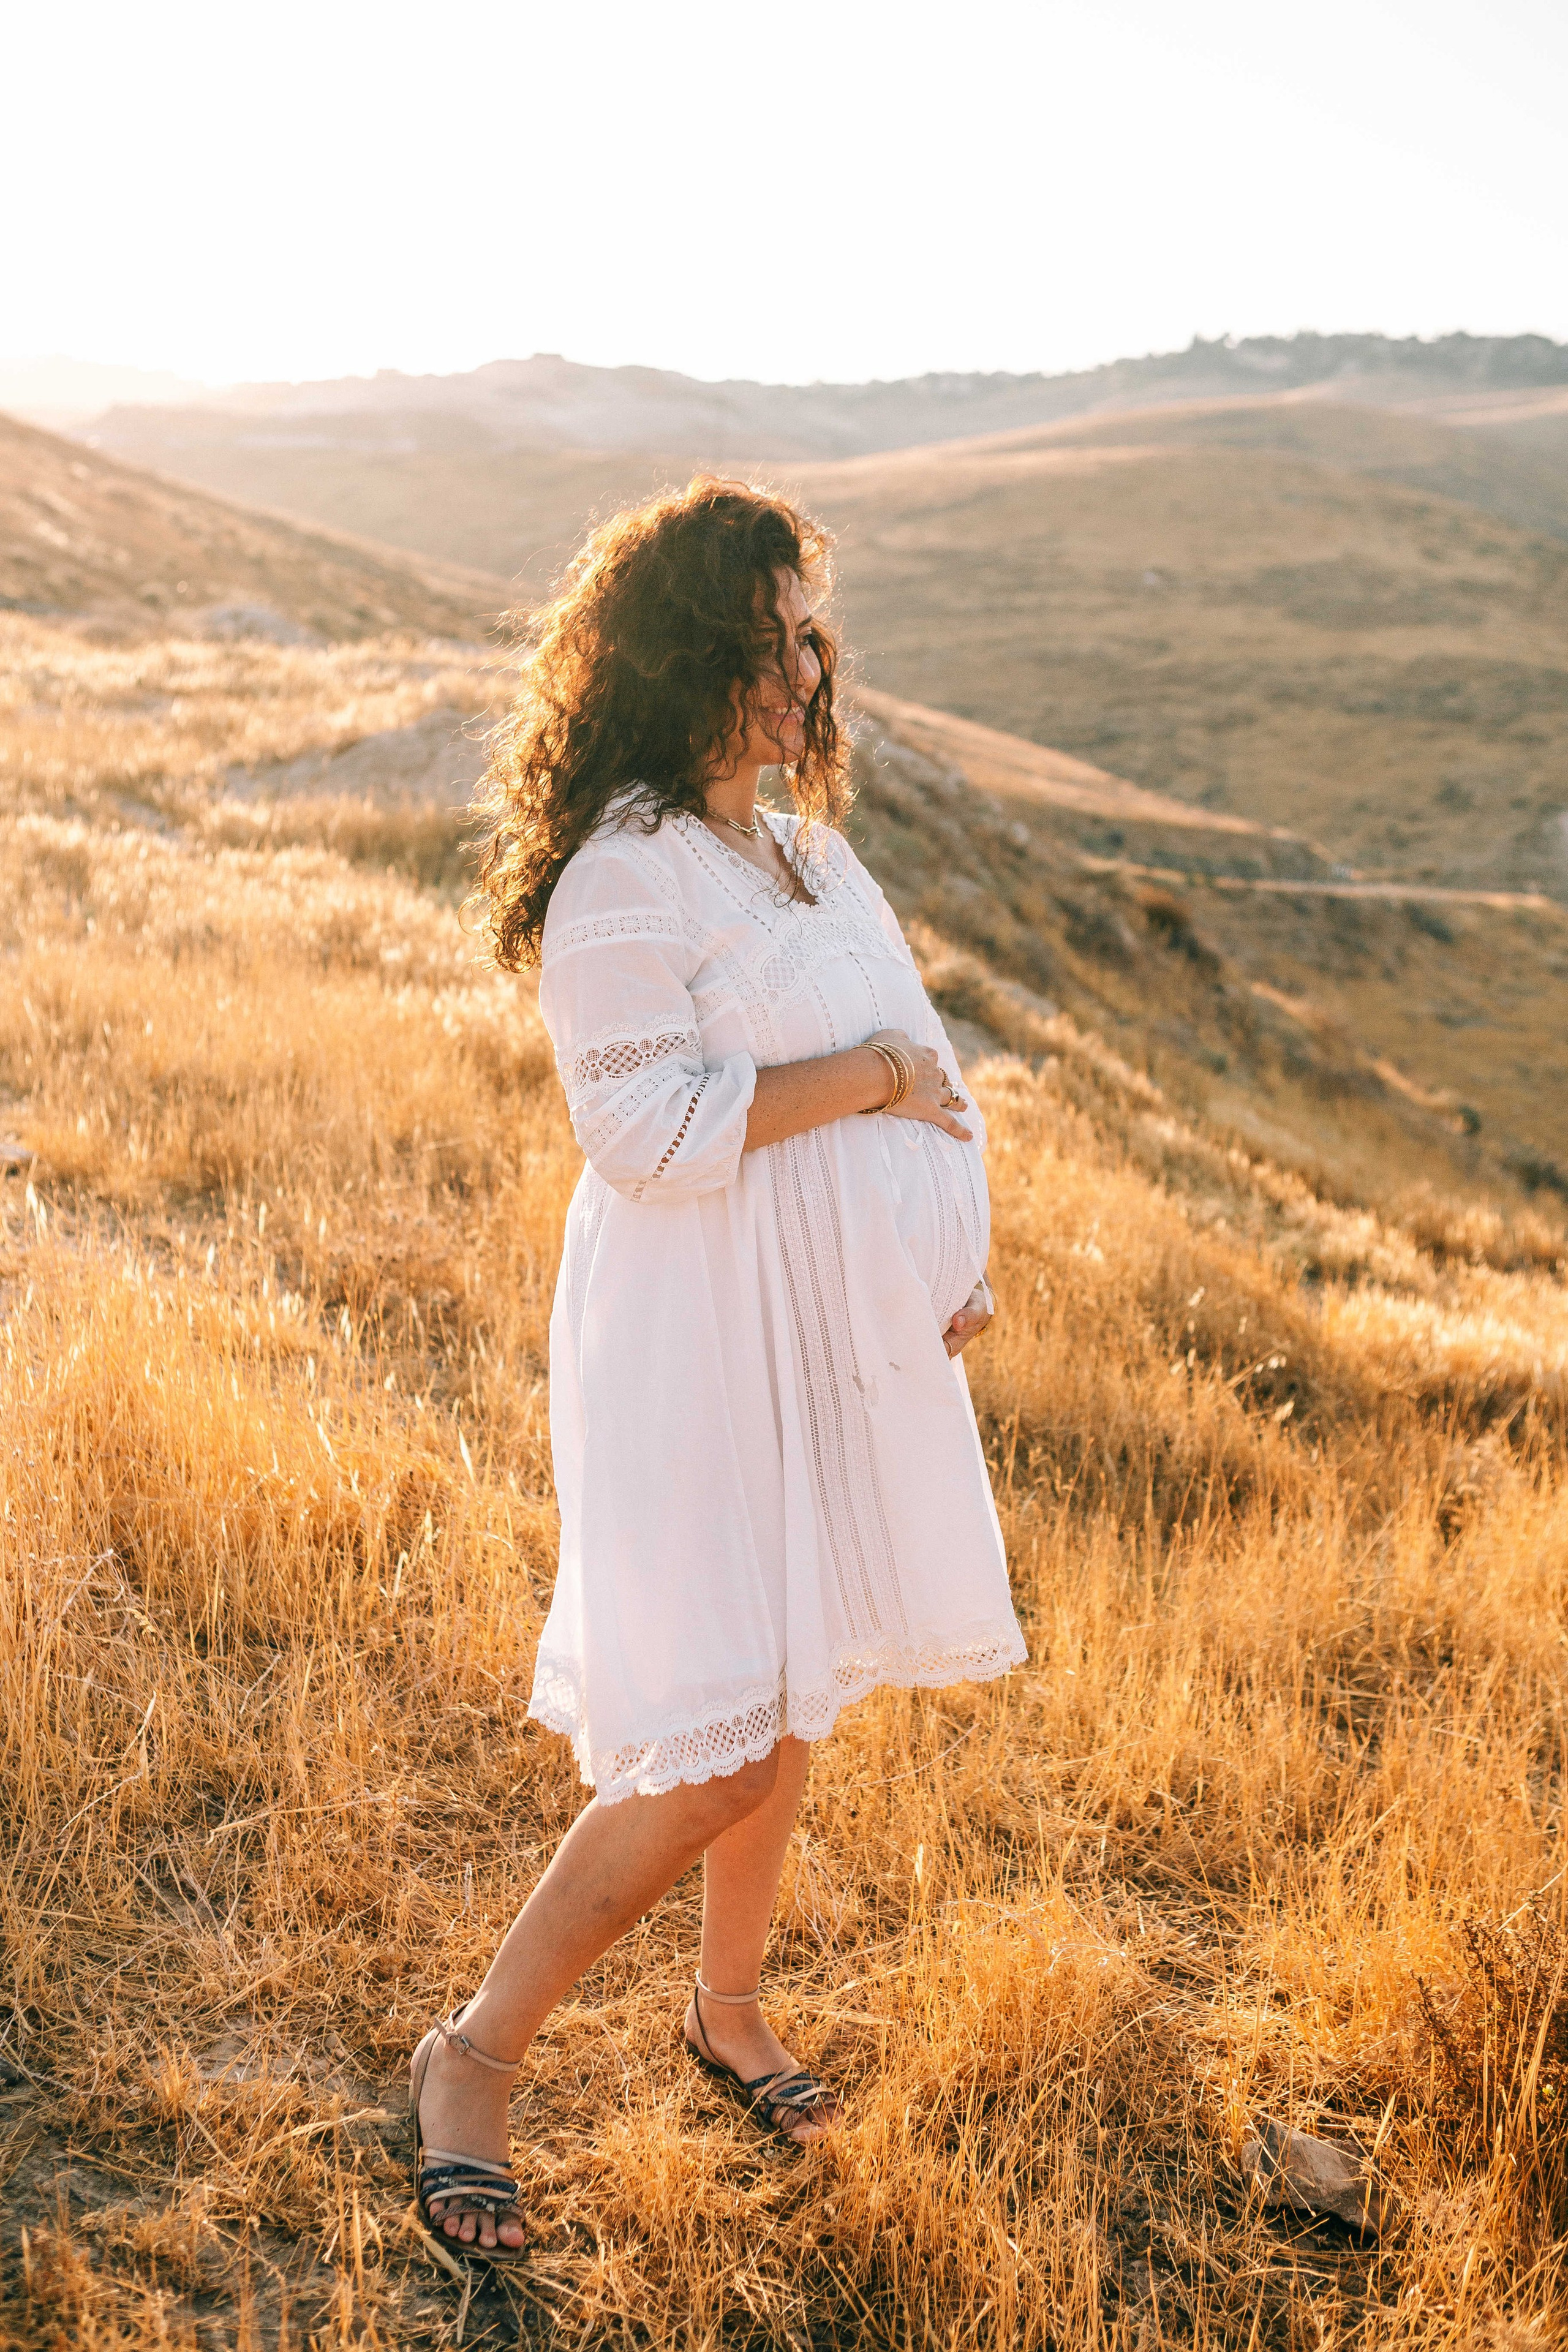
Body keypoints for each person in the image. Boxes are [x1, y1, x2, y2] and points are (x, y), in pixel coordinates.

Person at [409, 480, 1025, 2262]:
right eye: (768, 643)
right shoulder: (623, 871)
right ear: (687, 660)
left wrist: (945, 1264)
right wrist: (871, 1091)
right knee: (709, 1736)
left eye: (811, 636)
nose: (802, 670)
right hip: (698, 1327)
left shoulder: (814, 856)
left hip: (835, 1330)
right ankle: (472, 2059)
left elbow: (930, 1055)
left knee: (799, 1680)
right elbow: (647, 1128)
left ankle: (728, 2007)